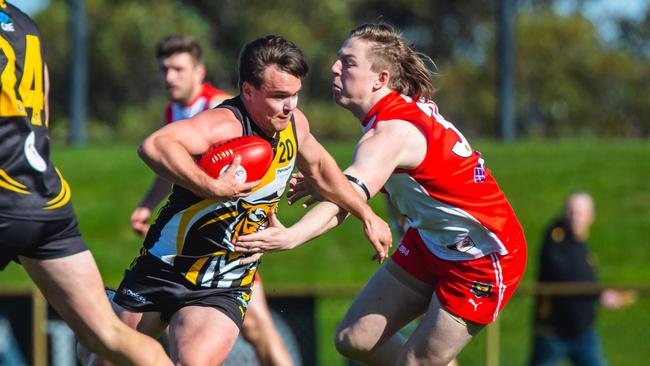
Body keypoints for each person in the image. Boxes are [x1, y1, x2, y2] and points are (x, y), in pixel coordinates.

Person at [85, 34, 392, 366]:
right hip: (166, 266)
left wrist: (365, 213)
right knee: (100, 358)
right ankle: (94, 320)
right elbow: (155, 145)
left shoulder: (294, 125)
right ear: (248, 91)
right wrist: (213, 186)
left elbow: (320, 168)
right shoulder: (225, 123)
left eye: (295, 95)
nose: (290, 106)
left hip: (225, 281)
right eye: (278, 97)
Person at [234, 23, 527, 365]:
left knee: (415, 362)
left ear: (380, 79)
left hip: (482, 257)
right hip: (432, 241)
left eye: (349, 62)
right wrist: (328, 184)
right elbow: (370, 180)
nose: (334, 67)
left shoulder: (390, 133)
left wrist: (291, 236)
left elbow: (345, 202)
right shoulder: (391, 117)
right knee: (354, 340)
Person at [0, 2, 172, 365]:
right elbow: (40, 108)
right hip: (44, 197)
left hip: (4, 198)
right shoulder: (23, 23)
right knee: (110, 335)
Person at [127, 34, 293, 365]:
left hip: (229, 242)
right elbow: (177, 164)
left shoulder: (222, 109)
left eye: (178, 69)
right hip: (198, 238)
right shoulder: (174, 110)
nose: (169, 77)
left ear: (199, 71)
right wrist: (147, 204)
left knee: (260, 327)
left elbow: (263, 158)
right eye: (164, 70)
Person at [529, 192, 636, 366]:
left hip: (583, 332)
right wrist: (600, 294)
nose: (574, 218)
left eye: (580, 213)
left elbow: (584, 276)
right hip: (552, 331)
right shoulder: (556, 237)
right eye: (571, 211)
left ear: (591, 217)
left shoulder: (581, 243)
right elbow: (564, 275)